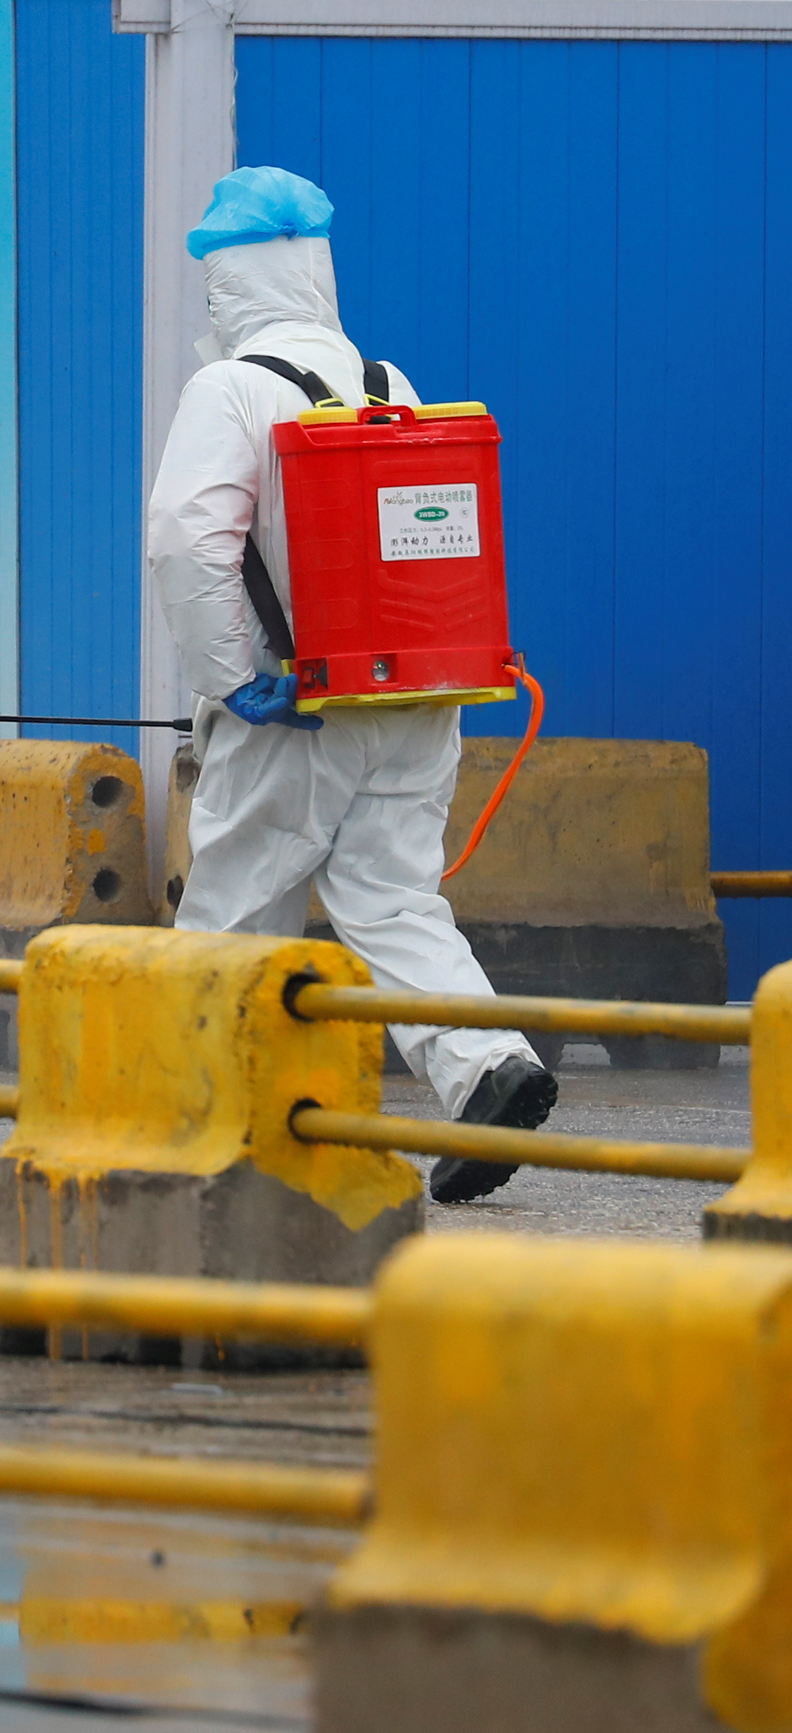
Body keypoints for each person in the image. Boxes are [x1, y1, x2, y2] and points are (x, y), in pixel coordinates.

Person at [147, 166, 553, 1204]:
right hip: (418, 698)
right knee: (390, 897)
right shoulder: (389, 380)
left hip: (304, 712)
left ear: (228, 280)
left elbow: (188, 541)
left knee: (231, 917)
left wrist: (236, 678)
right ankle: (487, 1069)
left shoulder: (230, 388)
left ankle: (187, 1126)